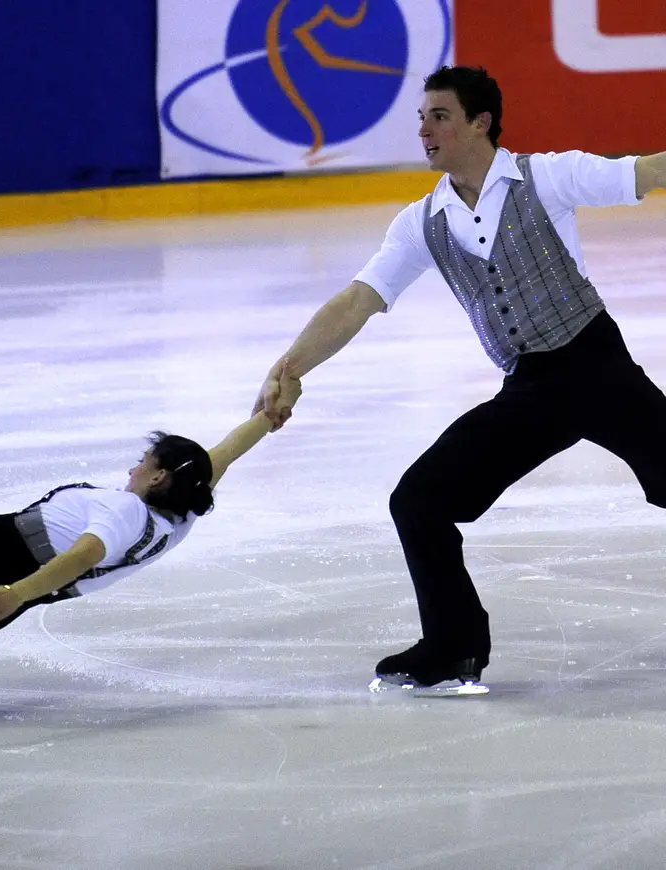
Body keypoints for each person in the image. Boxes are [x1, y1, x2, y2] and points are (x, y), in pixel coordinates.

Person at [255, 65, 666, 688]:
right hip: (531, 389)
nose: (424, 130)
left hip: (597, 368)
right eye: (421, 118)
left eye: (439, 117)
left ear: (481, 123)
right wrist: (288, 368)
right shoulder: (423, 222)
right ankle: (453, 646)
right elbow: (358, 300)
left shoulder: (548, 176)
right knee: (419, 501)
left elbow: (650, 171)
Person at [0, 375, 300, 672]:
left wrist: (15, 592)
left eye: (143, 462)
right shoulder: (178, 519)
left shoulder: (126, 509)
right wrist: (270, 414)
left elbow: (84, 554)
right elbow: (225, 452)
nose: (132, 469)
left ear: (157, 477)